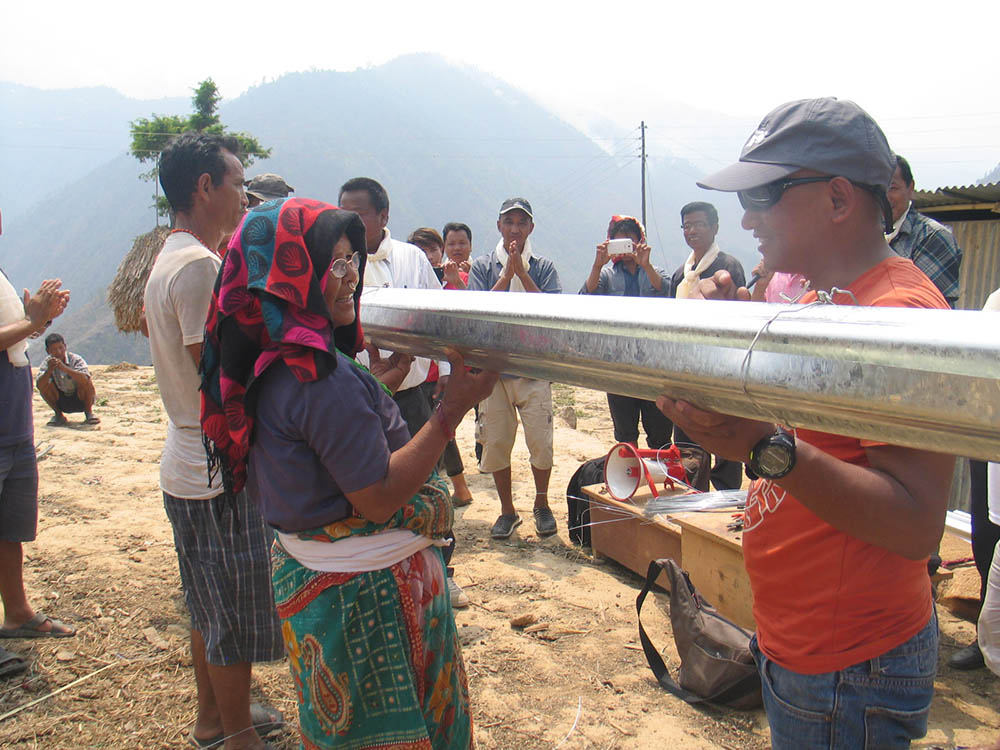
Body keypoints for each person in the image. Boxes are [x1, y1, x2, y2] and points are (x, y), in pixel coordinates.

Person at [656, 98, 953, 749]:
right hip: (810, 646)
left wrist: (762, 448)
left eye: (765, 193)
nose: (746, 216)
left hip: (851, 665)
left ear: (839, 198)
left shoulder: (893, 317)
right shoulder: (833, 302)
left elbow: (914, 524)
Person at [199, 197, 498, 750]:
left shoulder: (275, 358)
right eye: (332, 264)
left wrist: (372, 388)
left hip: (317, 583)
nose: (349, 277)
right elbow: (379, 498)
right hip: (368, 597)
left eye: (351, 260)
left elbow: (320, 447)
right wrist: (451, 409)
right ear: (291, 277)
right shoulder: (319, 379)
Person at [144, 132, 283, 750]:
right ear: (205, 187)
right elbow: (220, 378)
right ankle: (238, 734)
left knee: (207, 603)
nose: (242, 197)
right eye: (235, 184)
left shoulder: (169, 256)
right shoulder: (200, 266)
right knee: (227, 608)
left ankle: (212, 722)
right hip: (212, 466)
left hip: (187, 461)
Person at [468, 198, 562, 539]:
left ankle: (541, 504)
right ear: (499, 226)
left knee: (541, 442)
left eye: (522, 223)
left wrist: (522, 273)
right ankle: (507, 510)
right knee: (496, 442)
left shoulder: (543, 266)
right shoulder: (482, 266)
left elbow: (553, 314)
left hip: (534, 369)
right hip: (494, 372)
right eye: (509, 222)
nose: (515, 229)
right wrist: (507, 275)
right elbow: (477, 312)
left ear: (531, 229)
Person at [0, 268, 74, 678]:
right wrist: (32, 322)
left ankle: (17, 612)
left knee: (10, 531)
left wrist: (39, 321)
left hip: (13, 425)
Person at [670, 201, 746, 491]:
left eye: (699, 224)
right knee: (688, 441)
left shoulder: (727, 268)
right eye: (687, 225)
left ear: (714, 227)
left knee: (725, 439)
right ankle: (691, 498)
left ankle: (727, 502)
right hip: (684, 369)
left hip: (719, 369)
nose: (692, 230)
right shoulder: (682, 274)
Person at [580, 215, 672, 449]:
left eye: (629, 242)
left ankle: (660, 477)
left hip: (654, 363)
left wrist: (646, 264)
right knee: (625, 433)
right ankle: (630, 477)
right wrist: (597, 264)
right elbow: (586, 298)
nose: (624, 248)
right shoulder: (607, 276)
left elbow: (668, 294)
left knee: (660, 433)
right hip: (619, 363)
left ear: (640, 241)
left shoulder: (654, 271)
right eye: (618, 242)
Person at [408, 227, 475, 511]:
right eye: (421, 250)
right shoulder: (407, 281)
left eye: (432, 249)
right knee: (431, 432)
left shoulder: (457, 278)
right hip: (417, 371)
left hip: (445, 371)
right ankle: (452, 488)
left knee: (440, 431)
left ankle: (455, 489)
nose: (427, 255)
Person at [886, 155, 962, 307]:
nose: (885, 197)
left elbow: (925, 309)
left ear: (910, 188)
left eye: (892, 188)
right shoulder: (863, 235)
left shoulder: (933, 237)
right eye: (878, 188)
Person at [35, 333, 99, 426]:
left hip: (80, 398)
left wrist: (64, 368)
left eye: (60, 348)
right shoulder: (47, 363)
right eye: (54, 349)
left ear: (65, 347)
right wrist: (49, 371)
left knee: (86, 381)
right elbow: (40, 386)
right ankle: (58, 415)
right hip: (61, 400)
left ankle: (89, 412)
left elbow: (85, 380)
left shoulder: (75, 359)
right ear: (48, 351)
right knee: (45, 385)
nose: (58, 352)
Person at [442, 222, 473, 290]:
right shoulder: (440, 274)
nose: (457, 248)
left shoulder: (481, 273)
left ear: (470, 246)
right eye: (451, 244)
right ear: (444, 247)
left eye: (462, 243)